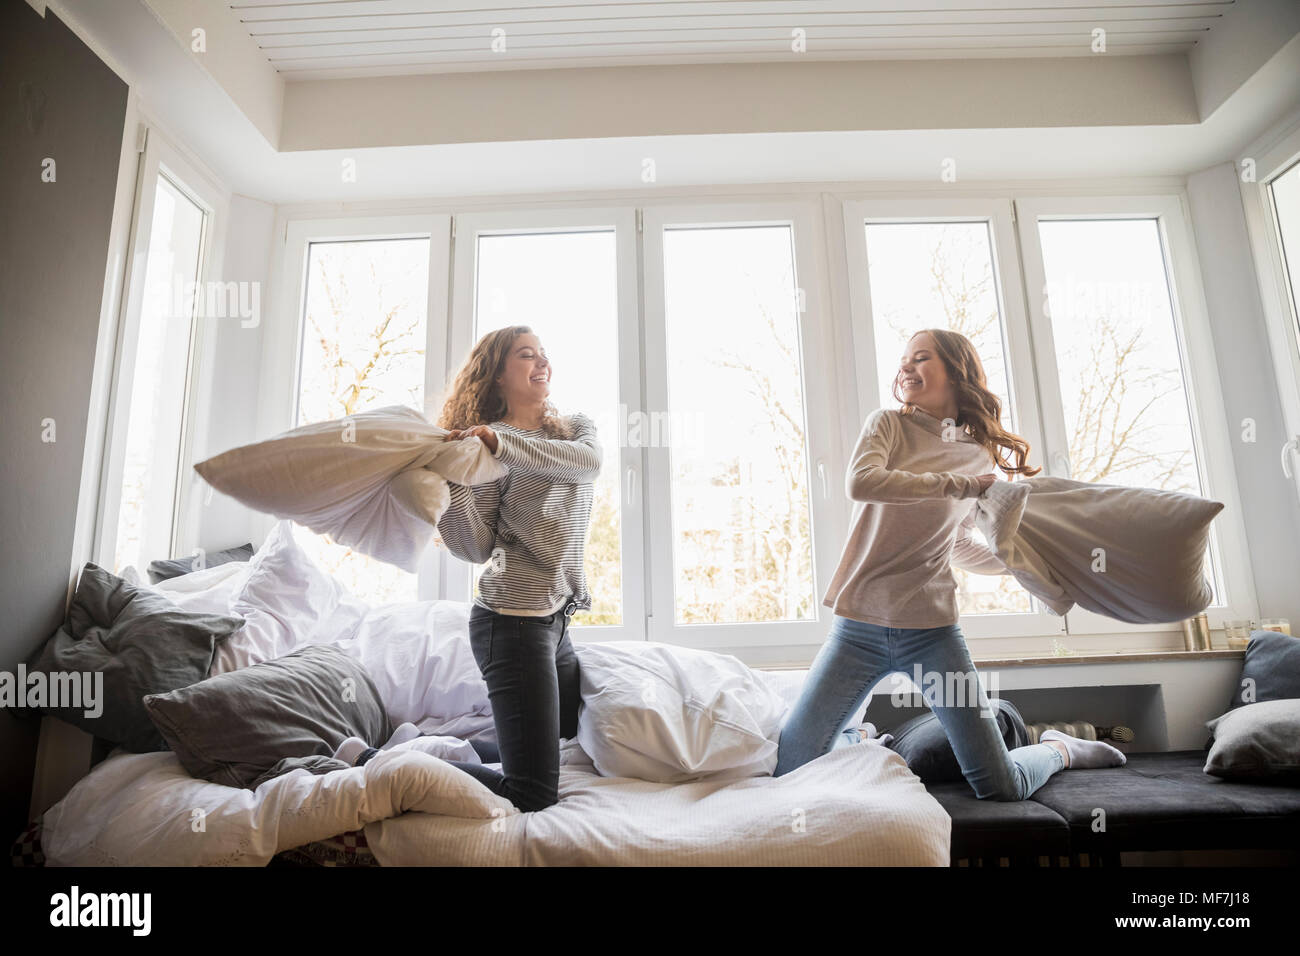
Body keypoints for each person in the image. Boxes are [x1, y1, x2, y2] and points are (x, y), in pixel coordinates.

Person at [773, 329, 1126, 799]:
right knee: (790, 768)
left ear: (957, 372)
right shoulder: (888, 426)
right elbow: (863, 482)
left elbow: (955, 543)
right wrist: (960, 486)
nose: (906, 367)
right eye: (904, 360)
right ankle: (859, 741)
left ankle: (1060, 749)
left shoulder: (976, 455)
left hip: (932, 633)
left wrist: (1017, 565)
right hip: (858, 629)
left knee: (1000, 786)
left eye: (921, 357)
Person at [425, 325, 600, 812]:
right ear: (497, 375)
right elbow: (476, 548)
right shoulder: (485, 449)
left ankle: (426, 747)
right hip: (511, 624)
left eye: (544, 353)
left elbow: (586, 464)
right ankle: (380, 760)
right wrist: (450, 482)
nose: (542, 362)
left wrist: (501, 445)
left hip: (557, 620)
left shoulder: (576, 430)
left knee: (564, 740)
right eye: (527, 355)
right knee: (532, 792)